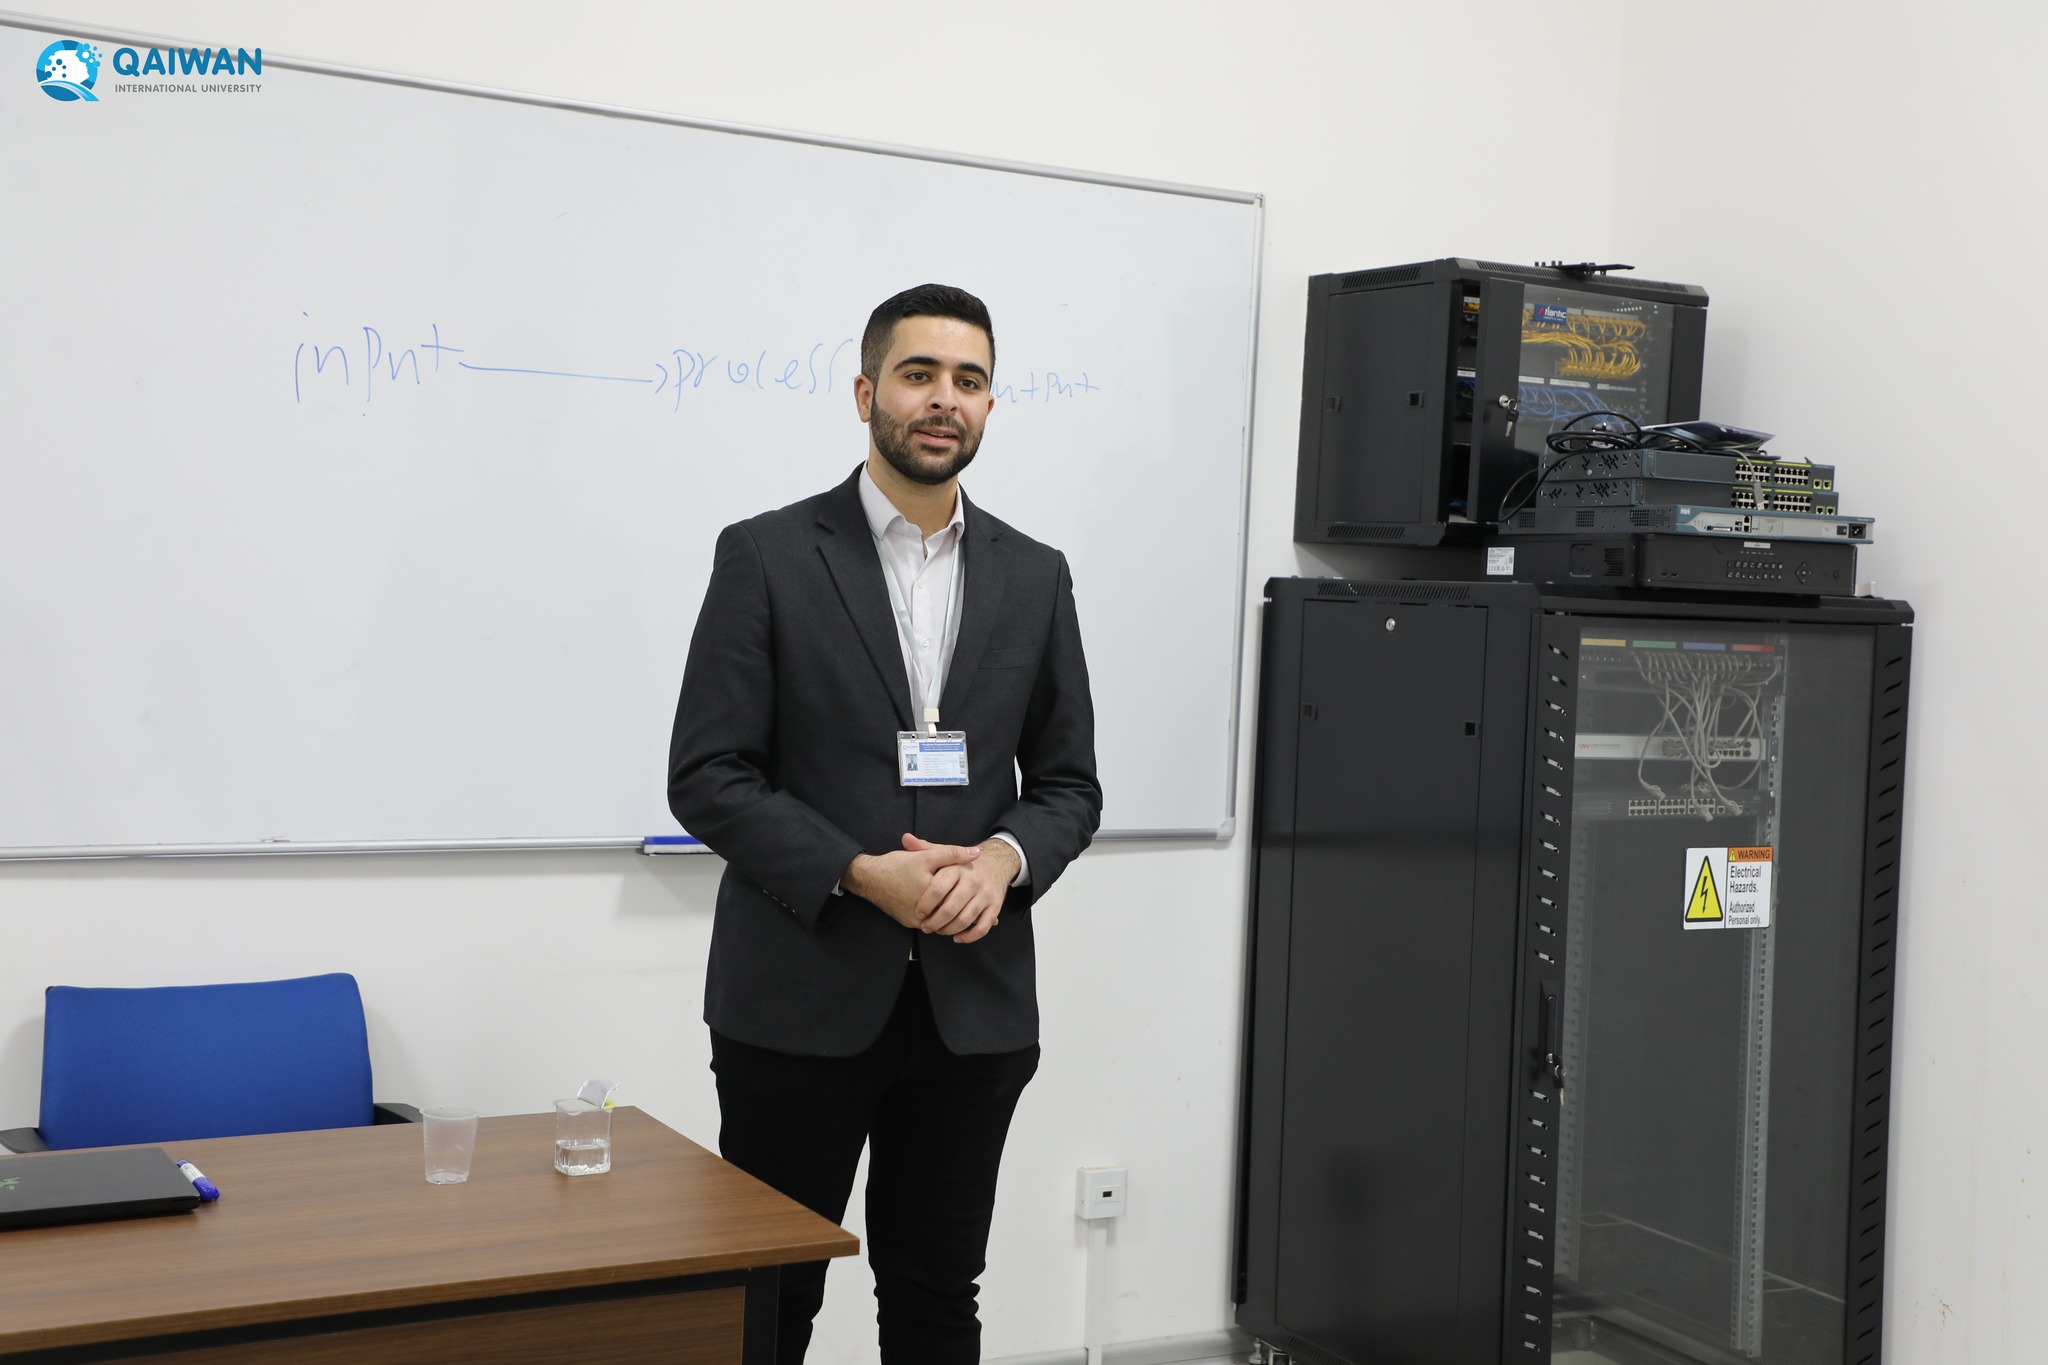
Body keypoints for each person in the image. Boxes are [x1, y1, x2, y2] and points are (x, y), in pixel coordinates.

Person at [667, 282, 1103, 1363]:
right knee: (770, 1302)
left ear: (989, 405)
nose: (943, 398)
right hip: (799, 1000)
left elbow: (1067, 786)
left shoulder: (1036, 575)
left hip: (971, 1010)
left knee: (936, 1296)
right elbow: (708, 774)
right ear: (867, 394)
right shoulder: (767, 555)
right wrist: (860, 872)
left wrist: (1000, 861)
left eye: (968, 380)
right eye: (919, 374)